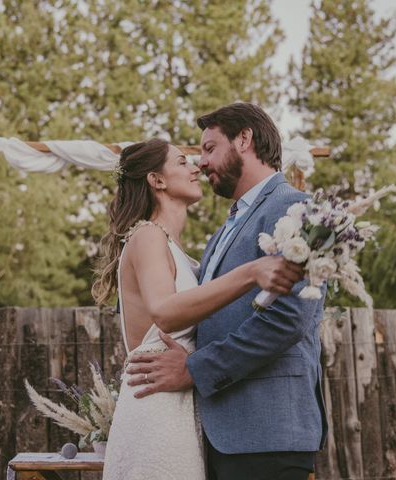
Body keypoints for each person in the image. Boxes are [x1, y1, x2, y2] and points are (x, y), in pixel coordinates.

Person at [127, 103, 328, 480]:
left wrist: (194, 369)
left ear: (244, 140)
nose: (201, 163)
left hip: (267, 431)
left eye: (208, 148)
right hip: (219, 433)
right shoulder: (224, 230)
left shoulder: (295, 208)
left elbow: (288, 320)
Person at [92, 137, 304, 480]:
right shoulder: (146, 235)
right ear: (156, 180)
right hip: (156, 401)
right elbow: (163, 310)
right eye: (182, 162)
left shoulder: (181, 252)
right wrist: (252, 272)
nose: (196, 168)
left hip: (181, 403)